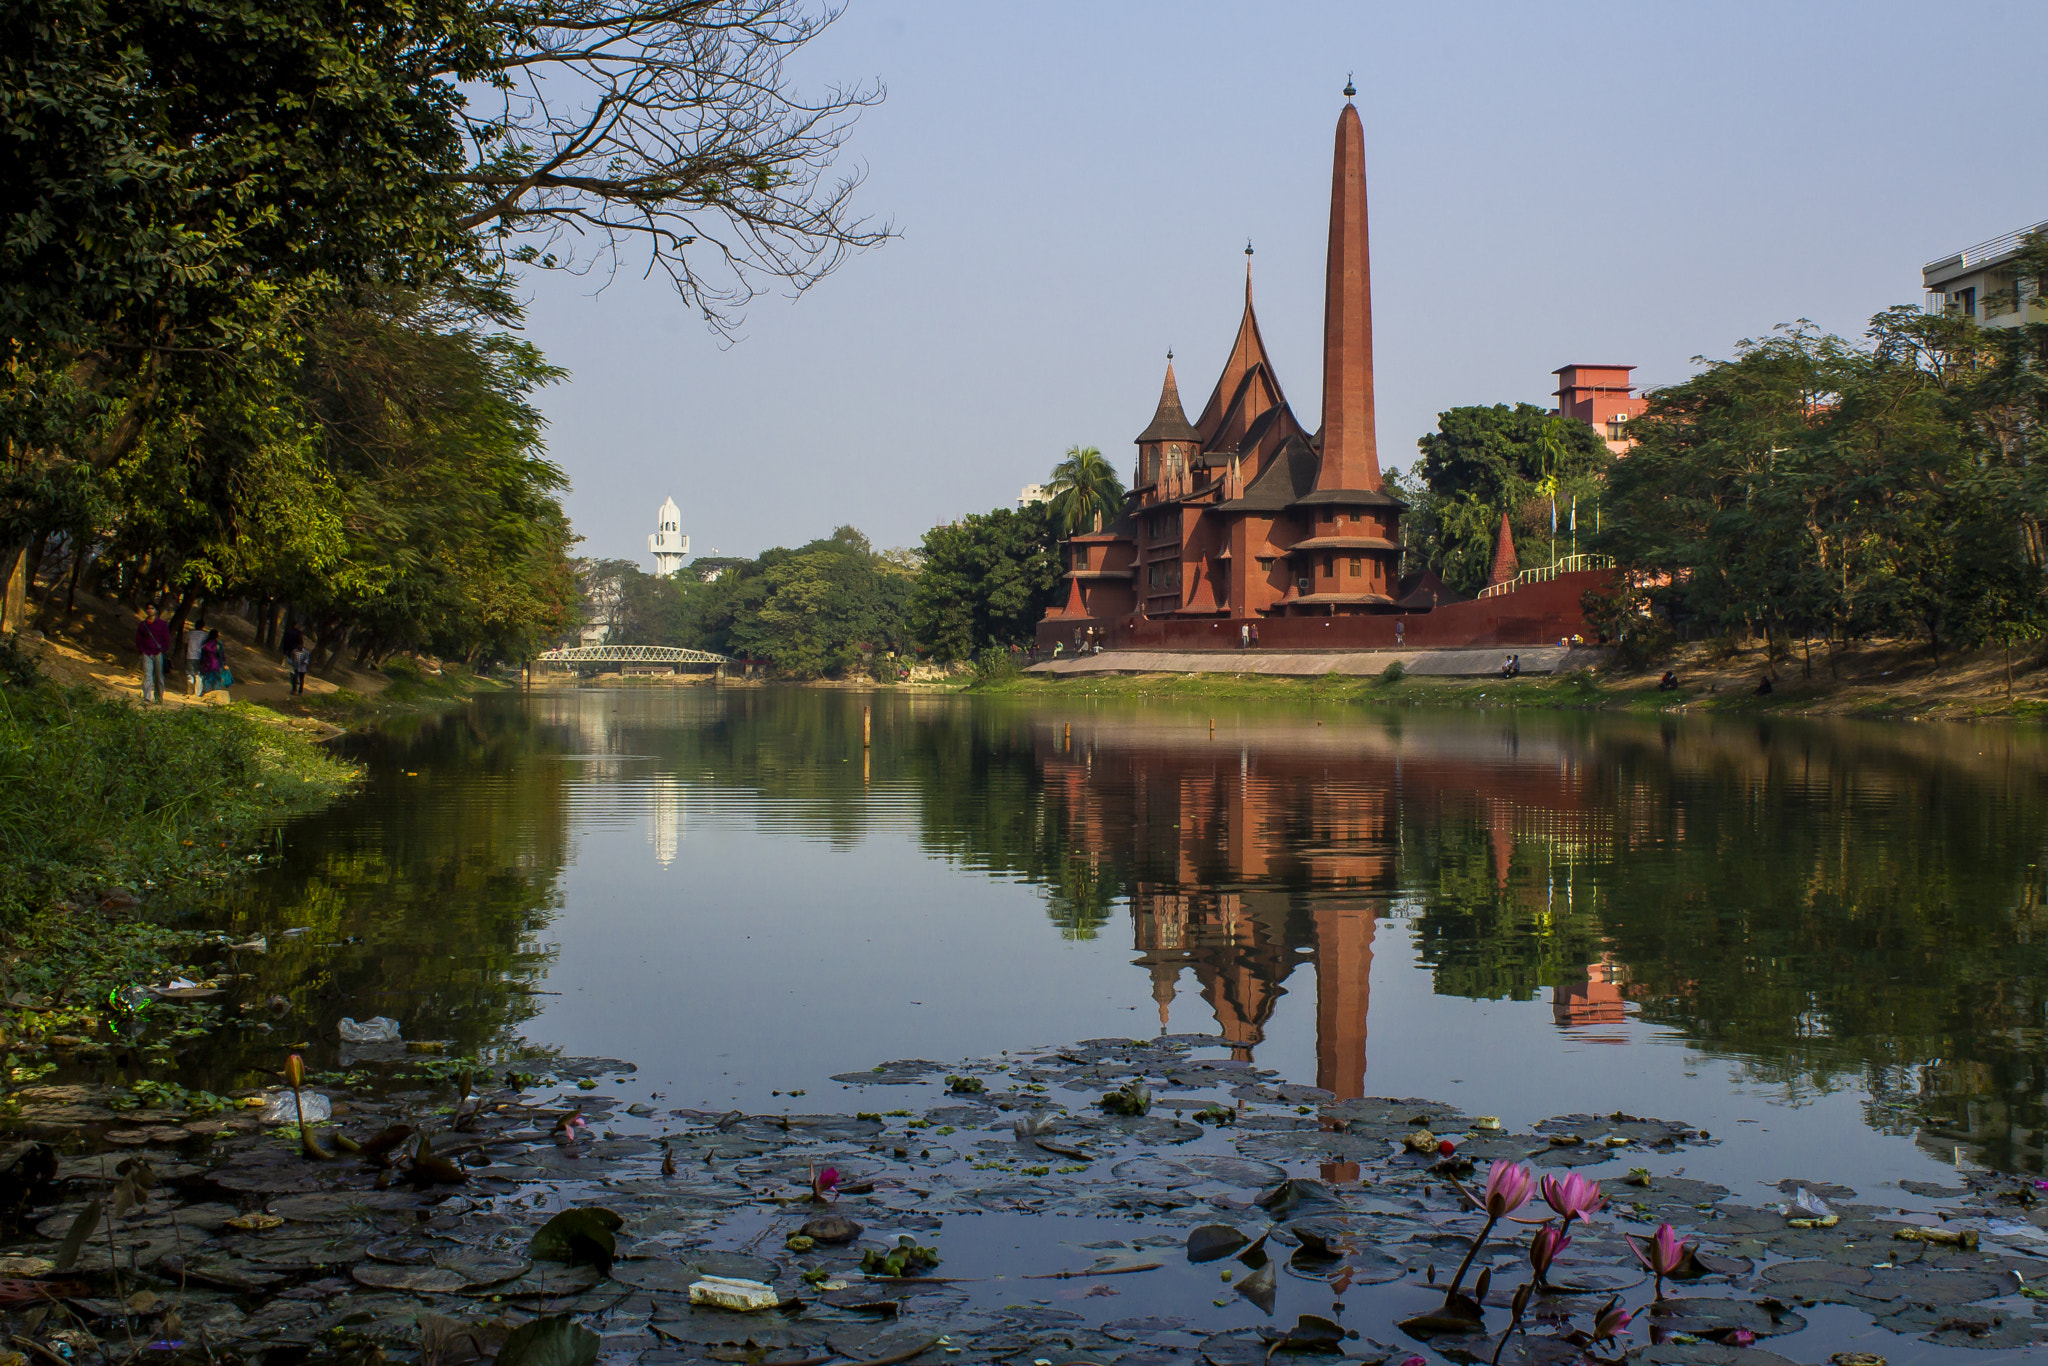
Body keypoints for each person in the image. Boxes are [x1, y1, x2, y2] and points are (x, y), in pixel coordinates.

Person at [134, 605, 170, 703]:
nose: (150, 610)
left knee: (159, 677)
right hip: (147, 653)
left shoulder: (162, 624)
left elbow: (167, 639)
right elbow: (138, 639)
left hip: (158, 653)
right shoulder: (143, 625)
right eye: (148, 608)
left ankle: (158, 698)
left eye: (152, 608)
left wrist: (163, 650)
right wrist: (142, 650)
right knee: (147, 675)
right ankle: (147, 697)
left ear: (156, 610)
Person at [199, 629, 229, 698]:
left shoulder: (205, 643)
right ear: (217, 636)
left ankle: (206, 694)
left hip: (207, 665)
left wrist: (201, 663)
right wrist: (224, 664)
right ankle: (216, 696)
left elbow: (202, 654)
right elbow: (222, 655)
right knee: (216, 681)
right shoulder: (218, 644)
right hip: (216, 665)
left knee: (207, 680)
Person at [184, 622, 208, 695]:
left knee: (189, 673)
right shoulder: (205, 635)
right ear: (203, 627)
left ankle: (190, 690)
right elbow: (206, 646)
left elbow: (185, 644)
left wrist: (186, 654)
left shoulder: (190, 633)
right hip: (199, 657)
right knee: (198, 675)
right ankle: (197, 693)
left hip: (190, 656)